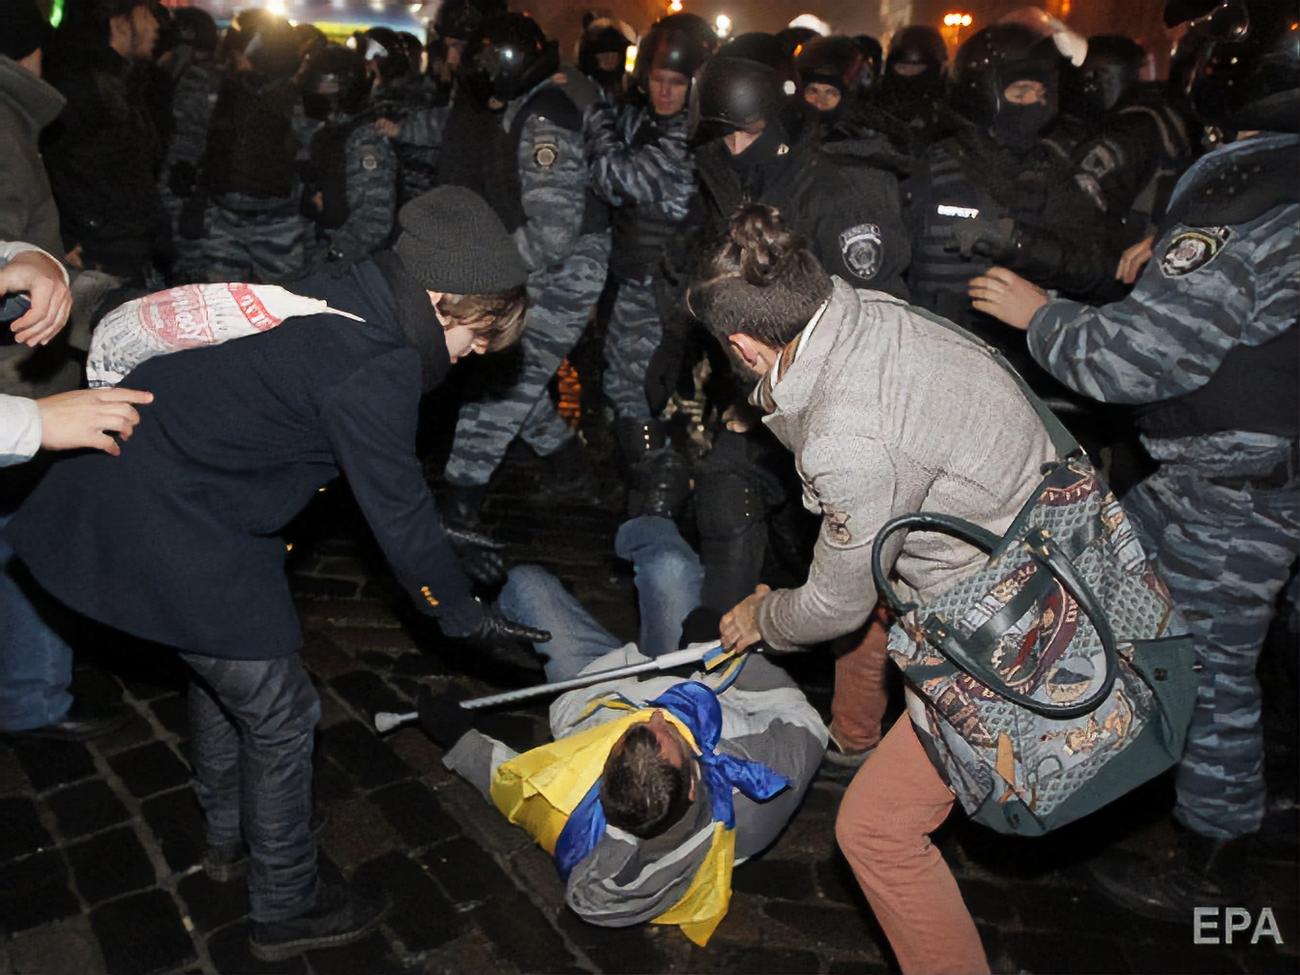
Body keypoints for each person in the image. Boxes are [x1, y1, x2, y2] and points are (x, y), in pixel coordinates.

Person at [3, 188, 550, 961]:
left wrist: (441, 542)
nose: (477, 353)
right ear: (442, 300)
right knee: (283, 712)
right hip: (171, 519)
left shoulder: (342, 289)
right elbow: (397, 510)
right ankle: (286, 902)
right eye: (479, 334)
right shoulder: (379, 362)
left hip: (182, 495)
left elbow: (360, 466)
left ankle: (231, 830)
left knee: (227, 673)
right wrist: (461, 614)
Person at [967, 0, 1298, 923]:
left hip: (1232, 485)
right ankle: (1233, 785)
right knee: (1104, 570)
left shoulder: (1244, 191)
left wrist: (1038, 314)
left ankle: (1215, 864)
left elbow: (1136, 361)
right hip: (1259, 468)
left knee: (1211, 661)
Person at [691, 204, 1062, 973]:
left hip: (1010, 618)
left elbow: (837, 603)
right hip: (1026, 523)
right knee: (872, 580)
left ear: (745, 348)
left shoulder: (846, 439)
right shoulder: (868, 312)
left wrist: (763, 615)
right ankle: (855, 736)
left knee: (873, 831)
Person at [425, 514, 826, 944]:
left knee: (526, 583)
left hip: (598, 683)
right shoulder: (760, 785)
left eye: (630, 736)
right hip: (692, 668)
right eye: (664, 732)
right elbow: (806, 721)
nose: (655, 715)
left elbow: (516, 793)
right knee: (671, 564)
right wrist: (715, 652)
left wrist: (458, 738)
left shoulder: (583, 822)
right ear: (694, 785)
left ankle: (620, 540)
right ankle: (647, 512)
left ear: (602, 782)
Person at [438, 12, 611, 535]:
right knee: (513, 378)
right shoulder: (525, 106)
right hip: (545, 263)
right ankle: (572, 471)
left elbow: (553, 233)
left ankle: (459, 506)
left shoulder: (544, 117)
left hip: (565, 270)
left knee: (499, 388)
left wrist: (485, 268)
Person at [583, 14, 708, 481]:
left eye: (677, 83)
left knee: (633, 389)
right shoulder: (646, 121)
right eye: (658, 80)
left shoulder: (685, 139)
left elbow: (615, 179)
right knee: (627, 385)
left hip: (659, 287)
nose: (665, 92)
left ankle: (658, 482)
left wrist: (595, 112)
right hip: (635, 276)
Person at [41, 0, 167, 288]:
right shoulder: (80, 85)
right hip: (97, 256)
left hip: (126, 245)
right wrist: (68, 237)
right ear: (119, 22)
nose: (155, 26)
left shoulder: (124, 80)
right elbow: (51, 161)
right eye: (146, 15)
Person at [300, 45, 398, 267]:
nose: (318, 91)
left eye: (326, 86)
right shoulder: (324, 131)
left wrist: (335, 256)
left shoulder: (365, 141)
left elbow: (374, 221)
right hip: (321, 246)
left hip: (352, 263)